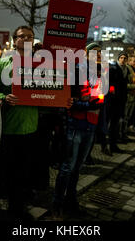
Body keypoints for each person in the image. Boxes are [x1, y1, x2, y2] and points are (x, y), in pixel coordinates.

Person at [0, 25, 39, 221]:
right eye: (21, 36)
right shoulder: (0, 64)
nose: (25, 39)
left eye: (29, 37)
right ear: (15, 40)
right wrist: (4, 97)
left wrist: (63, 101)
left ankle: (16, 209)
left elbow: (49, 95)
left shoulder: (40, 66)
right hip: (6, 129)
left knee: (22, 174)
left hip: (30, 129)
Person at [52, 43, 103, 219]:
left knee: (77, 167)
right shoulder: (75, 71)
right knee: (67, 167)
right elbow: (69, 100)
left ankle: (71, 201)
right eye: (94, 52)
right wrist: (87, 103)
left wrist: (86, 103)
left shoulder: (100, 73)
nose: (97, 56)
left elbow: (101, 99)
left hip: (91, 124)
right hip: (75, 123)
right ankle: (57, 203)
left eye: (99, 53)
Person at [108, 52, 129, 153]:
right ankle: (108, 145)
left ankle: (113, 144)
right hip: (113, 100)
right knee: (111, 123)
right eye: (121, 57)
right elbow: (109, 82)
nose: (123, 60)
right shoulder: (113, 68)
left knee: (116, 123)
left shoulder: (126, 70)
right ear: (118, 58)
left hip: (121, 100)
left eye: (125, 58)